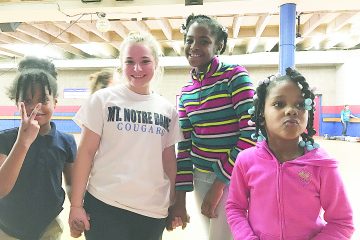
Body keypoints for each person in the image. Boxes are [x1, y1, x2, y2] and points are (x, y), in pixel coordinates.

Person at [68, 31, 183, 240]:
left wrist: (175, 203)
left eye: (145, 61)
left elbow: (169, 162)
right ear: (121, 65)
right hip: (105, 205)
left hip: (152, 211)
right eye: (130, 62)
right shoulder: (102, 100)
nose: (137, 68)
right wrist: (76, 205)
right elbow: (85, 153)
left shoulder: (168, 110)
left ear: (156, 64)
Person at [226, 68, 354, 239]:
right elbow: (235, 208)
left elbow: (342, 222)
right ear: (261, 113)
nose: (291, 110)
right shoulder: (246, 160)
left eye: (300, 105)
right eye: (279, 104)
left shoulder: (322, 165)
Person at [167, 14, 255, 240]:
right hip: (200, 178)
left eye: (203, 41)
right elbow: (185, 147)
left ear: (219, 45)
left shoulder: (234, 76)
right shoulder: (186, 92)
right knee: (213, 235)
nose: (193, 47)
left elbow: (252, 133)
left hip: (235, 177)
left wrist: (219, 184)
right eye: (189, 40)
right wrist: (180, 200)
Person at [0, 57, 77, 240]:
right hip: (7, 228)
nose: (36, 107)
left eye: (44, 100)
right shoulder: (4, 139)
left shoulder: (66, 142)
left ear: (55, 103)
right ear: (16, 103)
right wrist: (23, 142)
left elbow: (72, 184)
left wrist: (77, 209)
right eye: (27, 100)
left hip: (48, 227)